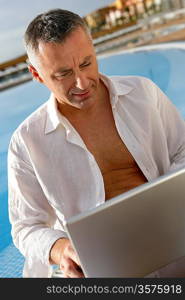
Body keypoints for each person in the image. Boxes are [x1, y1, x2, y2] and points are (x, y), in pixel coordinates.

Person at [8, 9, 185, 278]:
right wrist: (61, 249)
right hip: (100, 274)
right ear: (37, 74)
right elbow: (26, 226)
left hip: (174, 246)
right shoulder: (26, 143)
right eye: (63, 73)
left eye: (86, 63)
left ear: (93, 49)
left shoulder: (143, 94)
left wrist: (169, 202)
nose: (81, 82)